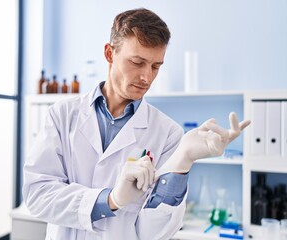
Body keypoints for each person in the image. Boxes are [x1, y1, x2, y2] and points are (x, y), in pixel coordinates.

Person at [23, 8, 250, 240]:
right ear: (110, 54)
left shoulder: (168, 133)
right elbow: (38, 194)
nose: (147, 78)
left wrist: (184, 160)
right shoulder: (62, 115)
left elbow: (155, 234)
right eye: (137, 62)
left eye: (155, 66)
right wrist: (111, 200)